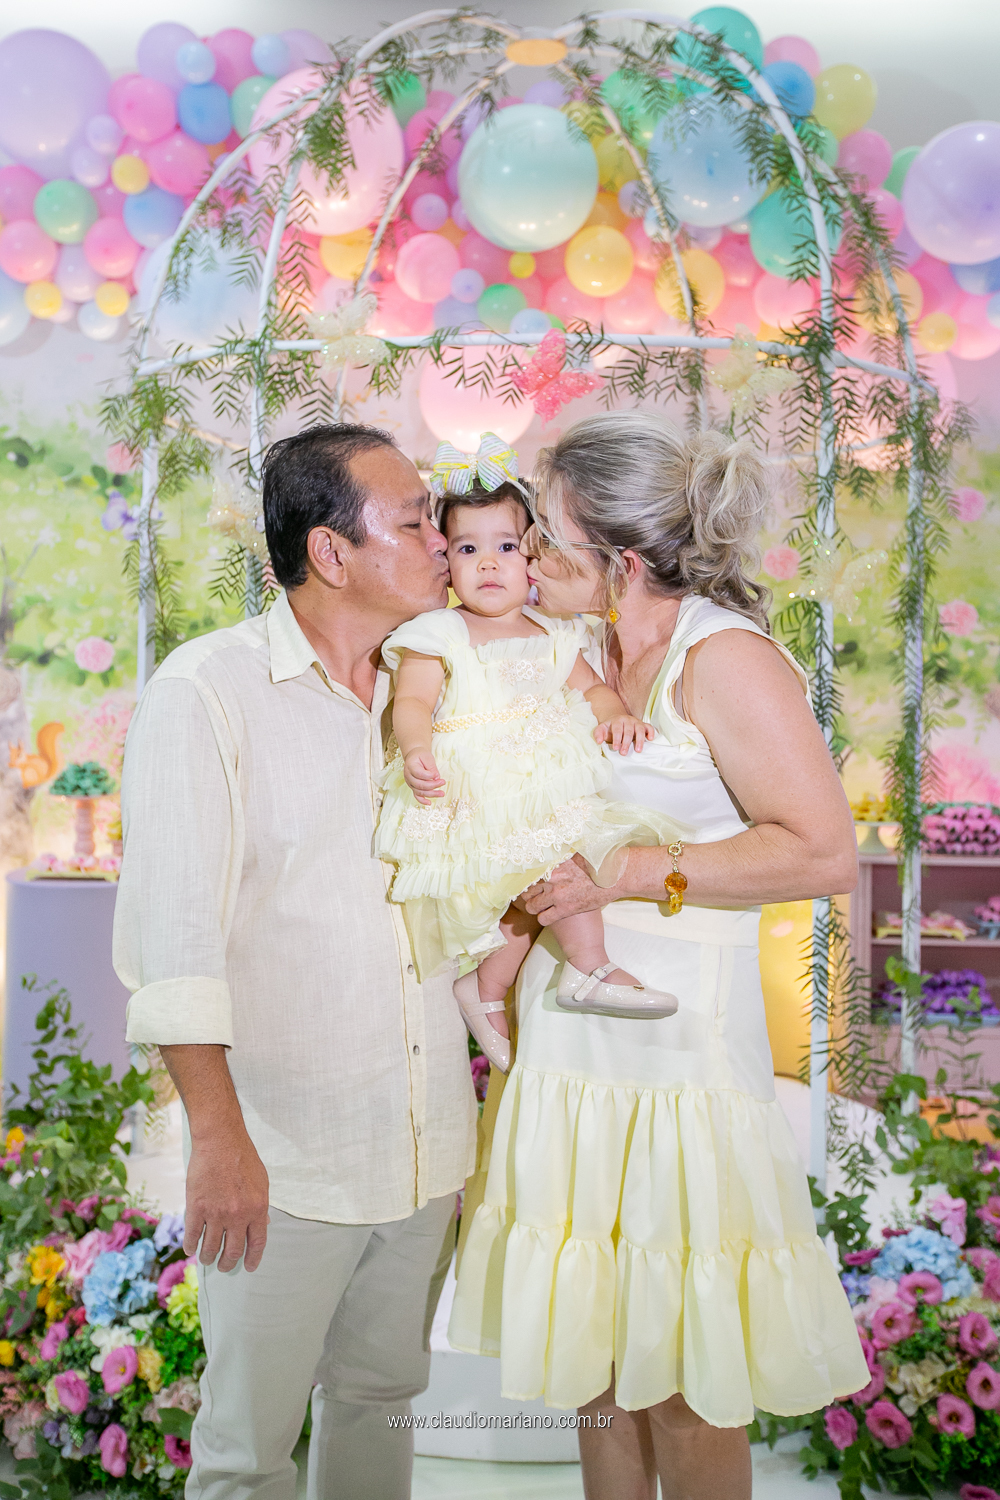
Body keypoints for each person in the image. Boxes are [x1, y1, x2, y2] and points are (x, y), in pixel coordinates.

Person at [449, 411, 870, 1500]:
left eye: (547, 540)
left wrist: (630, 872)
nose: (526, 558)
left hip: (680, 1068)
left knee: (683, 1377)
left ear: (623, 561)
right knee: (593, 1364)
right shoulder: (572, 654)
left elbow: (821, 851)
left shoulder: (724, 660)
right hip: (566, 1054)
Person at [114, 424, 478, 1500]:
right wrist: (219, 1143)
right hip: (282, 1158)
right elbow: (174, 942)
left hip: (421, 1148)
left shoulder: (430, 691)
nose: (443, 542)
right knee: (246, 1454)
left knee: (380, 1403)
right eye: (414, 522)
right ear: (330, 552)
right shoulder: (207, 691)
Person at [375, 444, 684, 1074]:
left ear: (534, 557)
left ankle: (489, 986)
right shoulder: (440, 633)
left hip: (542, 782)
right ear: (446, 561)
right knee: (546, 870)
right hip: (478, 787)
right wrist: (417, 748)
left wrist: (615, 716)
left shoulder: (555, 634)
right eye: (468, 548)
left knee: (552, 877)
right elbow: (411, 702)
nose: (488, 563)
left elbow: (593, 691)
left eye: (507, 547)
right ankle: (586, 967)